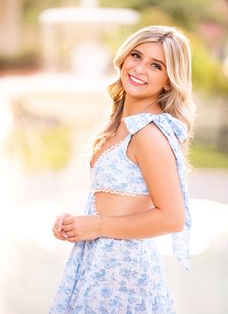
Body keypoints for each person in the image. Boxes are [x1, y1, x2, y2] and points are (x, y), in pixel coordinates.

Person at [49, 25, 195, 314]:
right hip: (97, 261)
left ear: (168, 81)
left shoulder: (149, 134)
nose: (140, 69)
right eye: (136, 56)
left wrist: (97, 227)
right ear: (124, 57)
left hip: (124, 275)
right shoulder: (120, 125)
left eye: (156, 65)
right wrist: (77, 225)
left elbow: (173, 218)